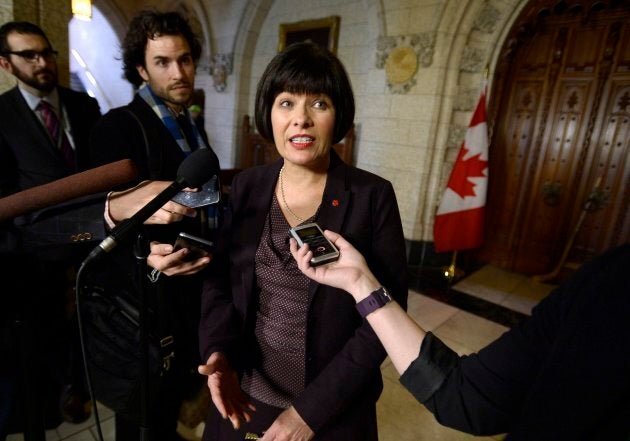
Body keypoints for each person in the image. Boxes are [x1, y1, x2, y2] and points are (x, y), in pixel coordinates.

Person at [197, 41, 408, 440]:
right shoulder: (247, 186)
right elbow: (220, 282)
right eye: (287, 102)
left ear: (338, 115)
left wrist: (308, 414)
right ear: (269, 113)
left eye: (319, 104)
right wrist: (218, 353)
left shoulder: (371, 197)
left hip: (329, 410)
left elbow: (384, 319)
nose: (301, 120)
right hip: (245, 396)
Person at [291, 230, 630, 440]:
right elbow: (467, 396)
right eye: (286, 106)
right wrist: (360, 281)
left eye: (320, 106)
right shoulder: (610, 278)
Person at [87, 9, 219, 441]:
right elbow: (97, 219)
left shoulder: (189, 124)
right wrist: (151, 258)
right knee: (143, 419)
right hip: (142, 303)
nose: (178, 72)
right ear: (141, 69)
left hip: (187, 296)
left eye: (184, 59)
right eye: (163, 62)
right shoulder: (118, 128)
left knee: (173, 405)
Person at [0, 20, 102, 434]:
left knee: (86, 346)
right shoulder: (2, 116)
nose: (43, 62)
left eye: (46, 52)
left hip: (94, 253)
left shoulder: (85, 106)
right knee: (37, 362)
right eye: (29, 55)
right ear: (6, 63)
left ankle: (79, 388)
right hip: (36, 263)